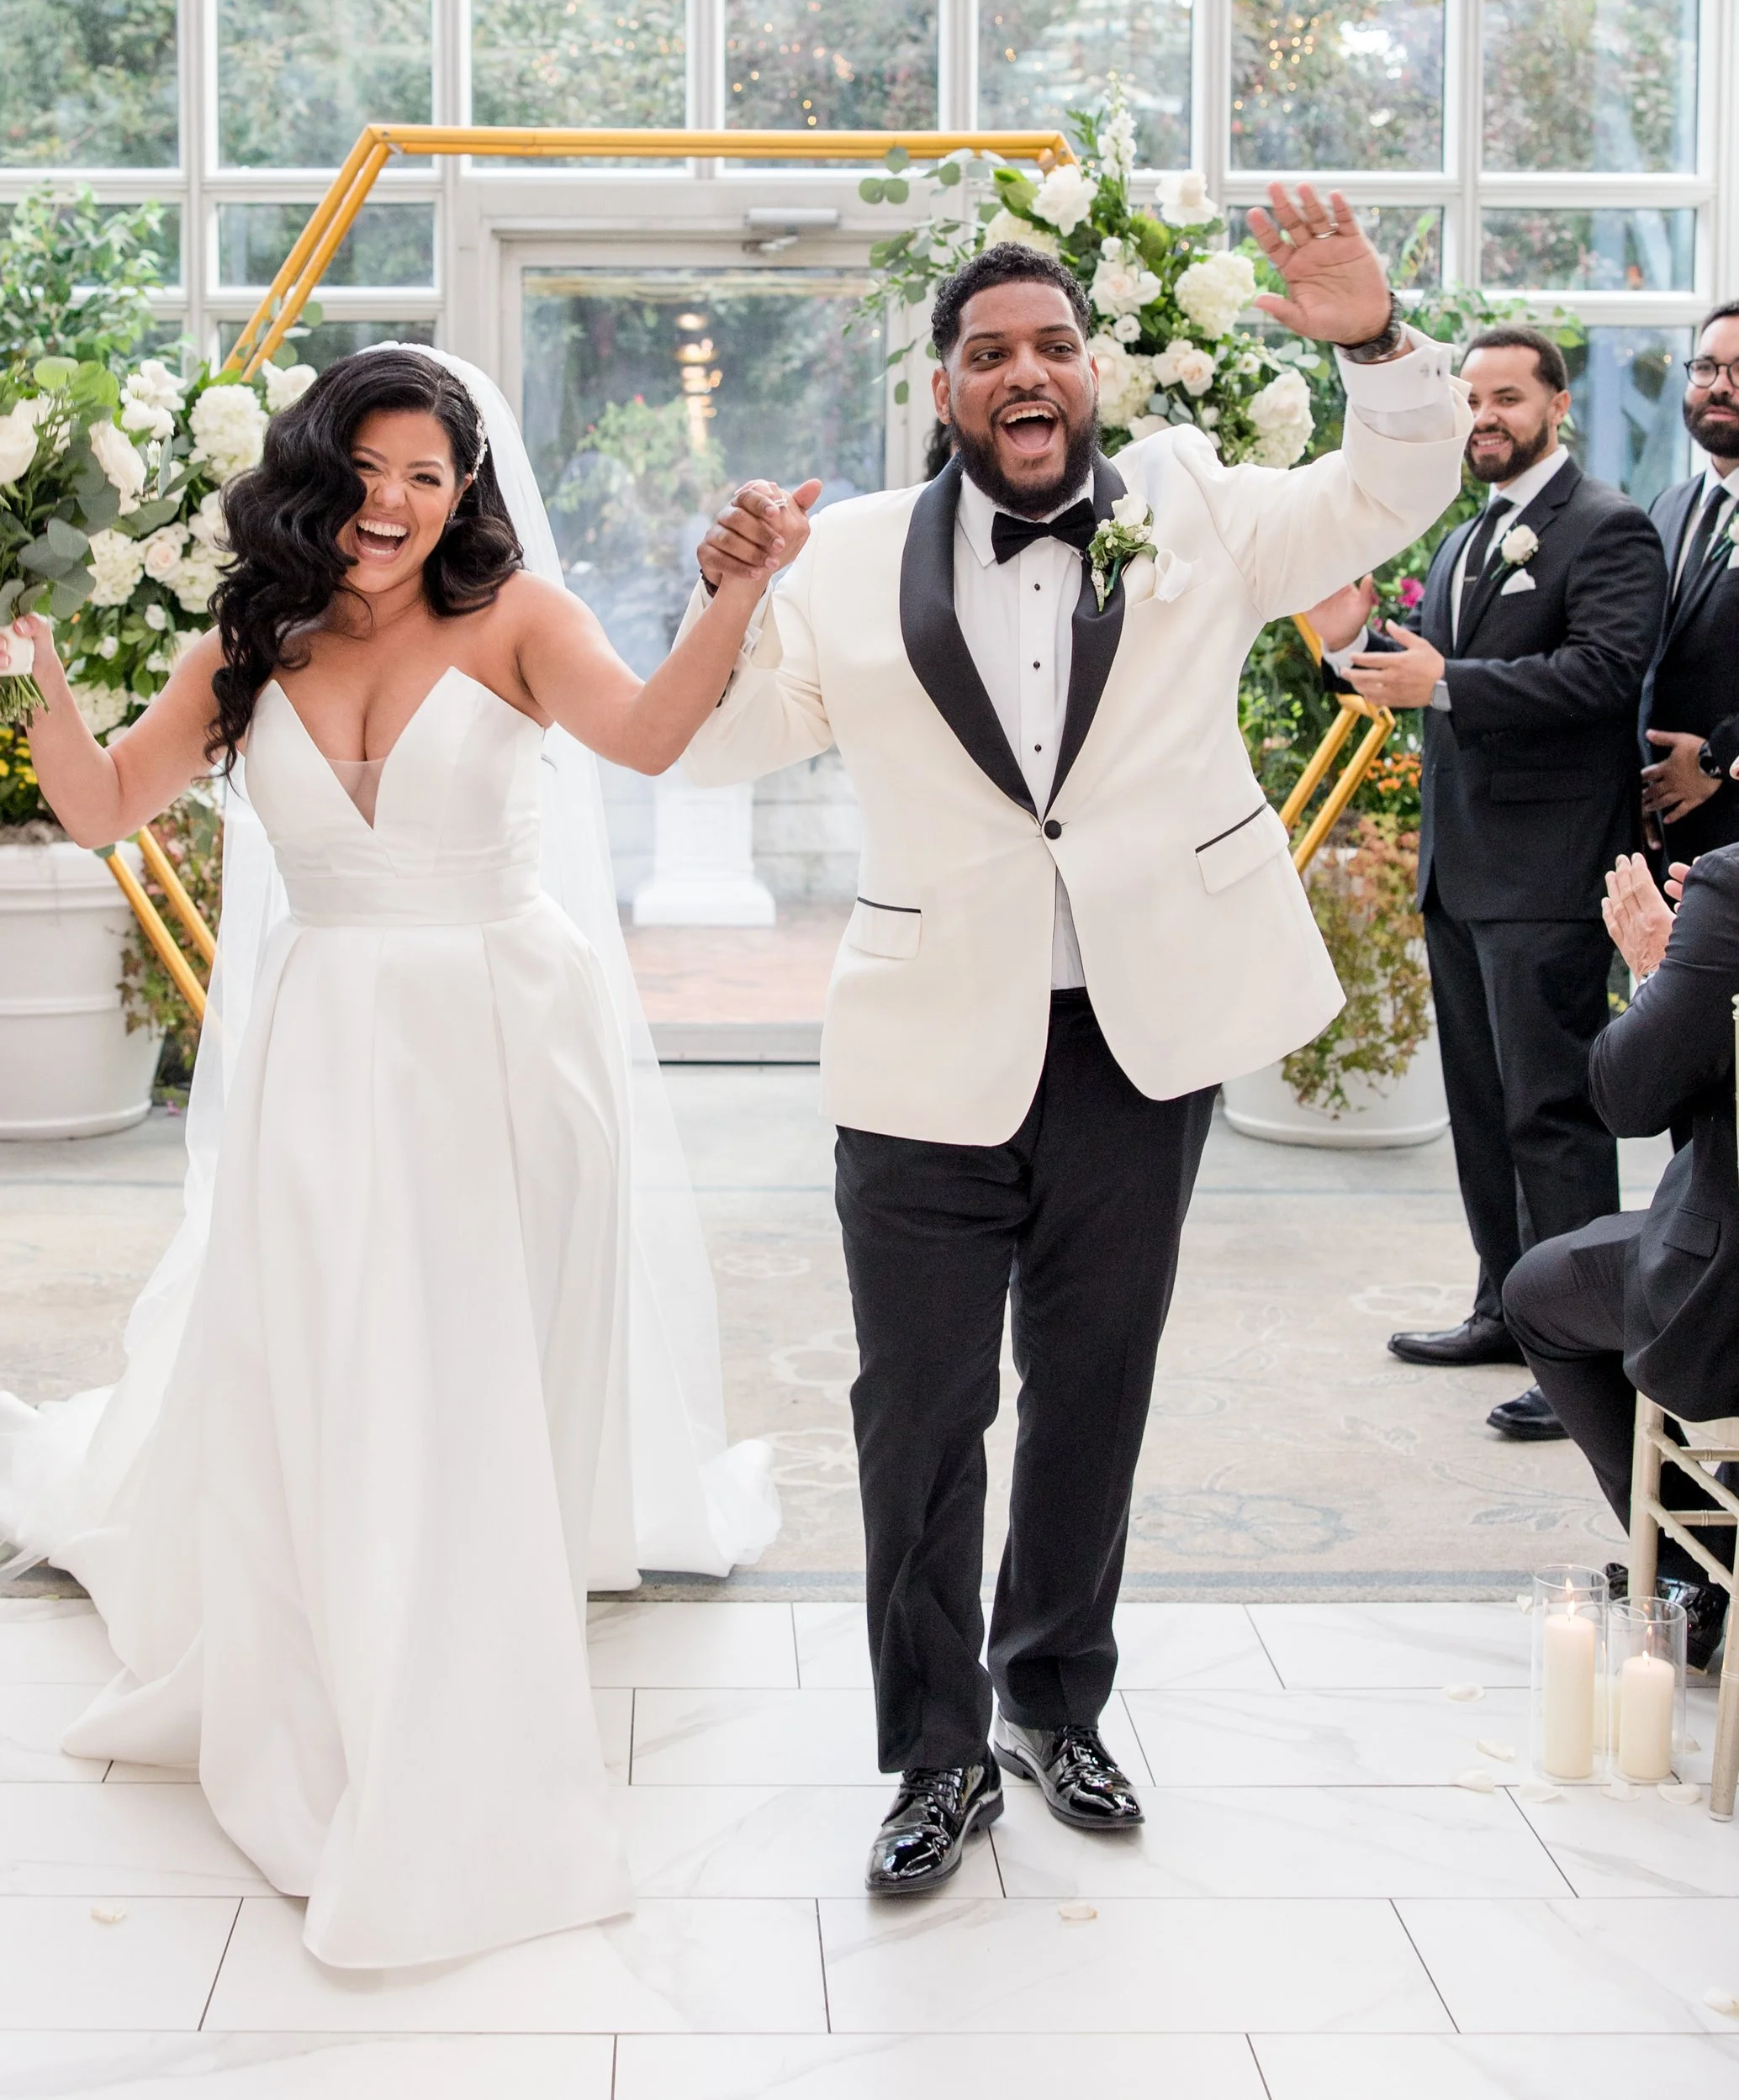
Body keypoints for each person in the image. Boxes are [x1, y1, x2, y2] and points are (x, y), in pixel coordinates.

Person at [0, 345, 792, 1971]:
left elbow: (652, 739)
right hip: (324, 1054)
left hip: (505, 1042)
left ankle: (469, 1647)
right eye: (368, 469)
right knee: (330, 1354)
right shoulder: (250, 644)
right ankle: (335, 1634)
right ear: (314, 477)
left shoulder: (524, 621)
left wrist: (735, 600)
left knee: (474, 1361)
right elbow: (106, 806)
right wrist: (39, 675)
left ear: (465, 487)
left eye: (429, 473)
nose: (394, 504)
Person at [681, 187, 1467, 1892]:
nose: (1019, 370)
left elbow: (1390, 484)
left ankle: (1052, 1699)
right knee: (916, 1407)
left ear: (1088, 371)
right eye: (984, 353)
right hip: (917, 1042)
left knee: (1092, 1386)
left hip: (1141, 1032)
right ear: (945, 387)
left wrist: (1374, 339)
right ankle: (933, 1755)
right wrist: (729, 602)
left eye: (1048, 344)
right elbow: (710, 751)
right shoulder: (841, 556)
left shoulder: (1189, 505)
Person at [1318, 328, 1666, 1446]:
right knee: (1482, 1113)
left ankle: (1583, 1341)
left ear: (1556, 404)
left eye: (1506, 396)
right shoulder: (1472, 534)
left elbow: (1606, 675)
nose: (1483, 415)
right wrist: (1351, 641)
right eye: (1468, 397)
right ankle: (1503, 1310)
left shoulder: (1607, 527)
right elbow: (1432, 678)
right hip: (1461, 872)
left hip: (1553, 872)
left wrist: (1449, 678)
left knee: (1552, 1114)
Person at [1501, 846, 1739, 1665]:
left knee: (1538, 1289)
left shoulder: (1731, 884)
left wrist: (1659, 968)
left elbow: (1628, 1096)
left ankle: (1682, 1576)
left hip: (1728, 1295)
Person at [1641, 304, 1739, 870]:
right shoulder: (1670, 505)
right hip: (1669, 840)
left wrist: (1713, 760)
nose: (1719, 387)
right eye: (1705, 368)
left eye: (1738, 371)